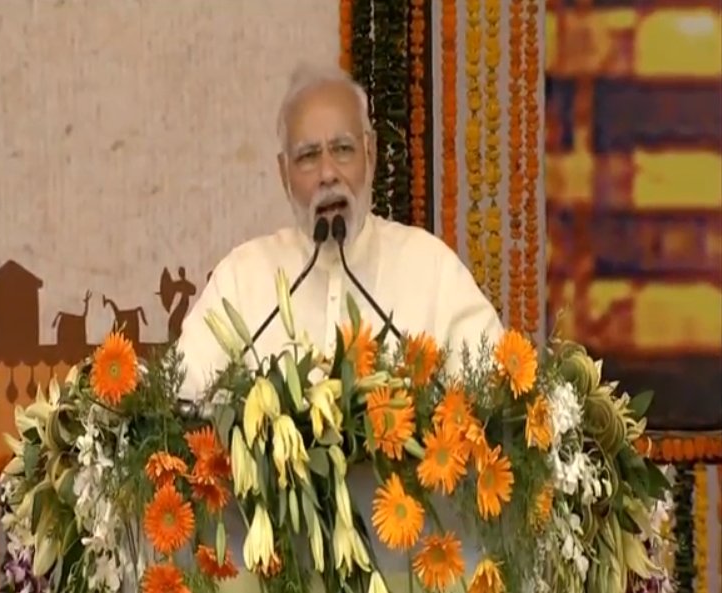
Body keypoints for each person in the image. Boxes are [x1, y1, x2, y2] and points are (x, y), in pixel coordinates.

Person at [173, 62, 503, 591]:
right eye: (308, 156)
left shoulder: (428, 267)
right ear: (284, 174)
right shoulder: (244, 277)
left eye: (342, 149)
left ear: (370, 154)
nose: (328, 172)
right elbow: (178, 405)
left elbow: (499, 389)